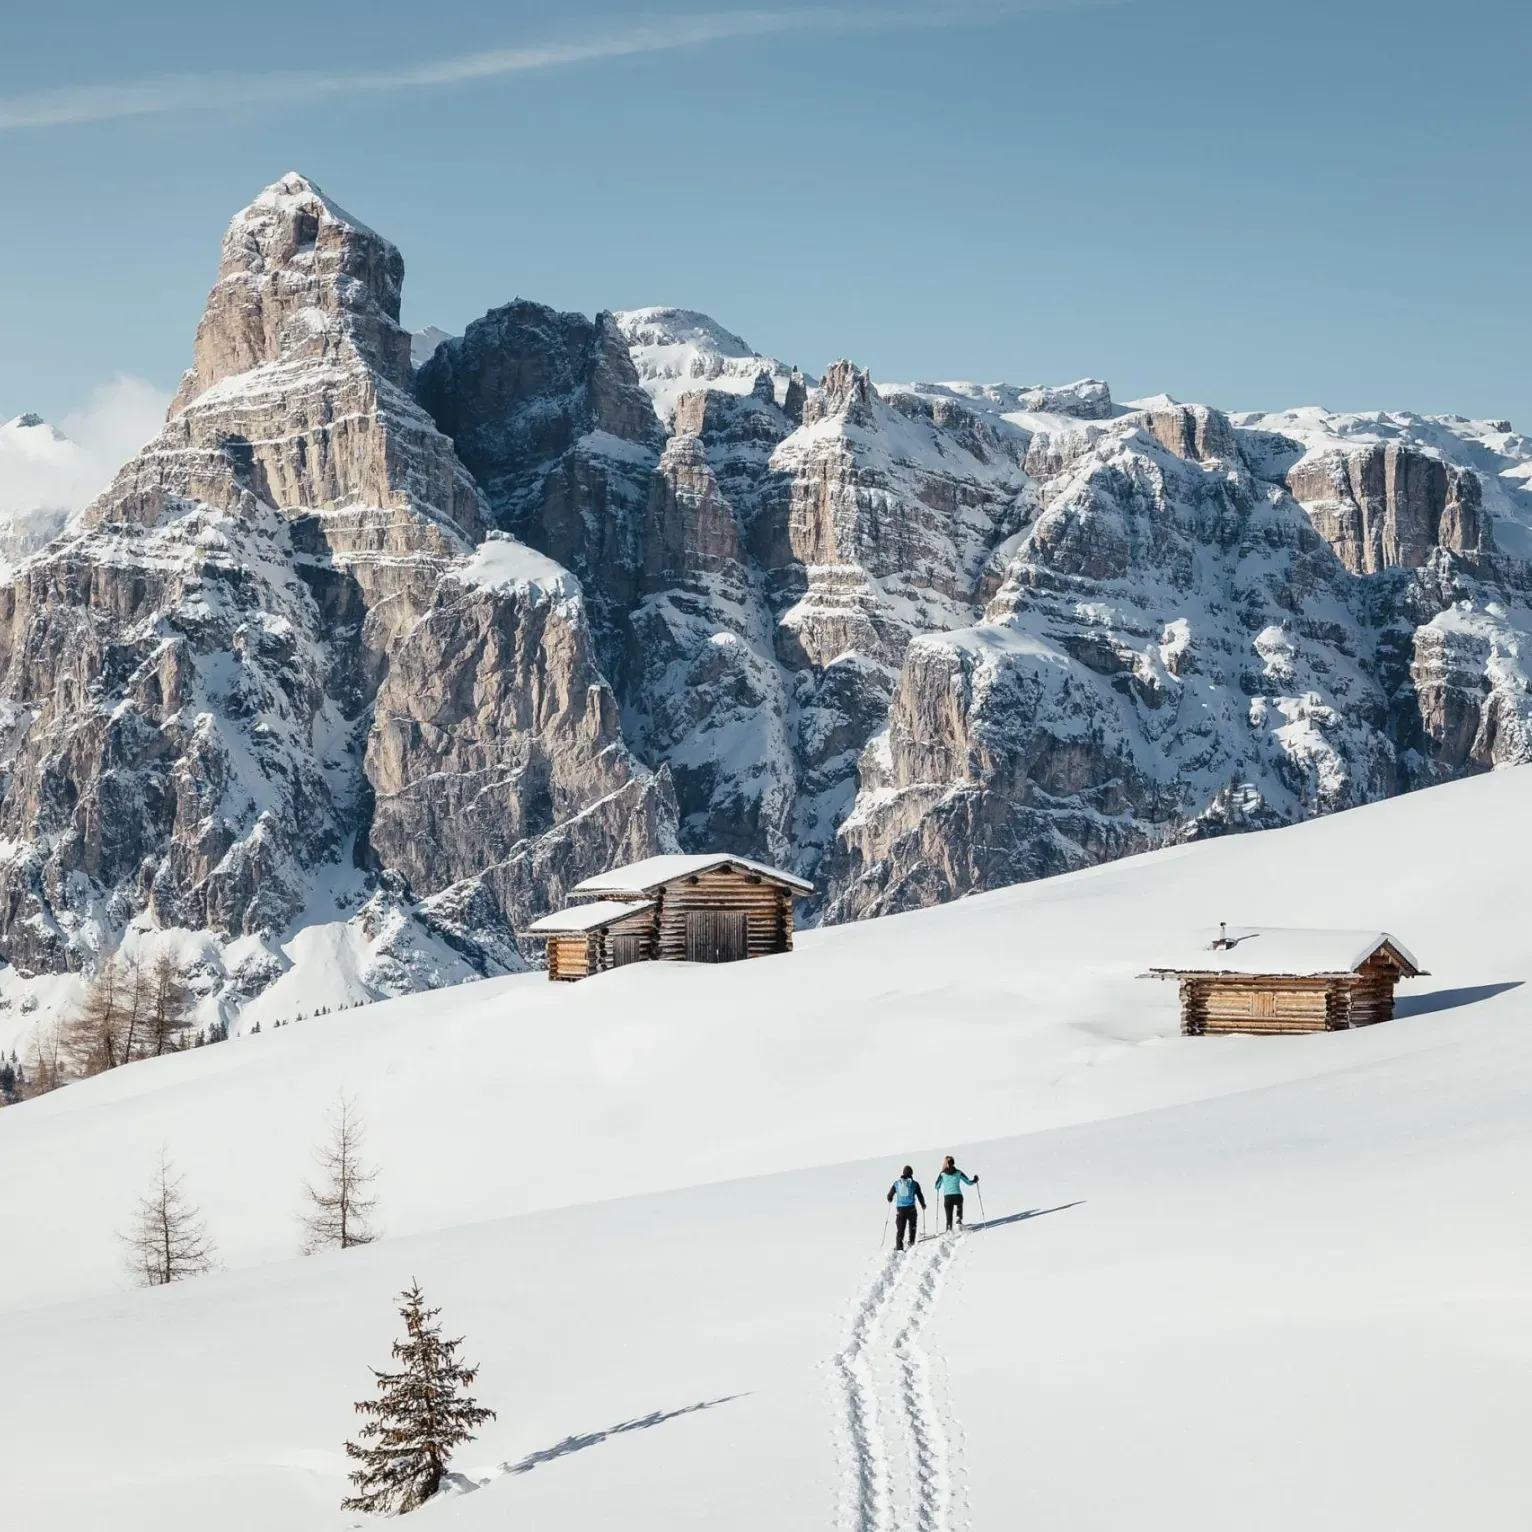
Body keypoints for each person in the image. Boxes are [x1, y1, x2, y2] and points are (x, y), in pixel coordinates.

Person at [933, 1155, 977, 1231]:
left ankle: (949, 1230)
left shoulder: (942, 1174)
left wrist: (938, 1183)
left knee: (949, 1218)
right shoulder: (958, 1172)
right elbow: (968, 1182)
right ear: (953, 1163)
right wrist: (975, 1180)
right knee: (959, 1206)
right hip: (958, 1196)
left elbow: (937, 1186)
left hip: (948, 1198)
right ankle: (958, 1219)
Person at [886, 1165, 926, 1250]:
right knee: (912, 1226)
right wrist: (923, 1205)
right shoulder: (915, 1184)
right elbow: (920, 1195)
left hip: (900, 1209)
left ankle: (899, 1247)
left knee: (900, 1229)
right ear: (911, 1173)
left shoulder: (897, 1183)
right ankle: (911, 1242)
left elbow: (890, 1195)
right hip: (911, 1208)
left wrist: (890, 1199)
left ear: (903, 1173)